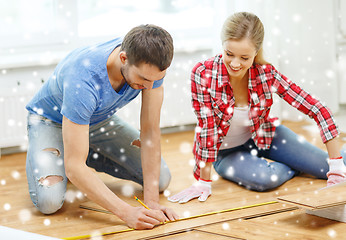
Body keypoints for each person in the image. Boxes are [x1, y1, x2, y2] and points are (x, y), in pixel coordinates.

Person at [168, 12, 346, 204]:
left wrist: (335, 166)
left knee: (338, 166)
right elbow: (207, 128)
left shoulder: (266, 74)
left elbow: (316, 108)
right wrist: (203, 180)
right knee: (265, 180)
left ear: (256, 52)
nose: (235, 64)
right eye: (229, 54)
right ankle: (296, 164)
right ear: (222, 45)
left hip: (265, 135)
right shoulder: (203, 73)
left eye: (244, 58)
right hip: (226, 152)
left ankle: (327, 158)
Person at [25, 24, 179, 229]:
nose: (150, 87)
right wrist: (126, 213)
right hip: (50, 122)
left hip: (98, 121)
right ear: (124, 58)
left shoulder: (150, 69)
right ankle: (67, 154)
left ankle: (79, 152)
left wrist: (151, 203)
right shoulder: (83, 78)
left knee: (160, 180)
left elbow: (150, 132)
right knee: (49, 202)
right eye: (143, 79)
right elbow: (74, 167)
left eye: (157, 80)